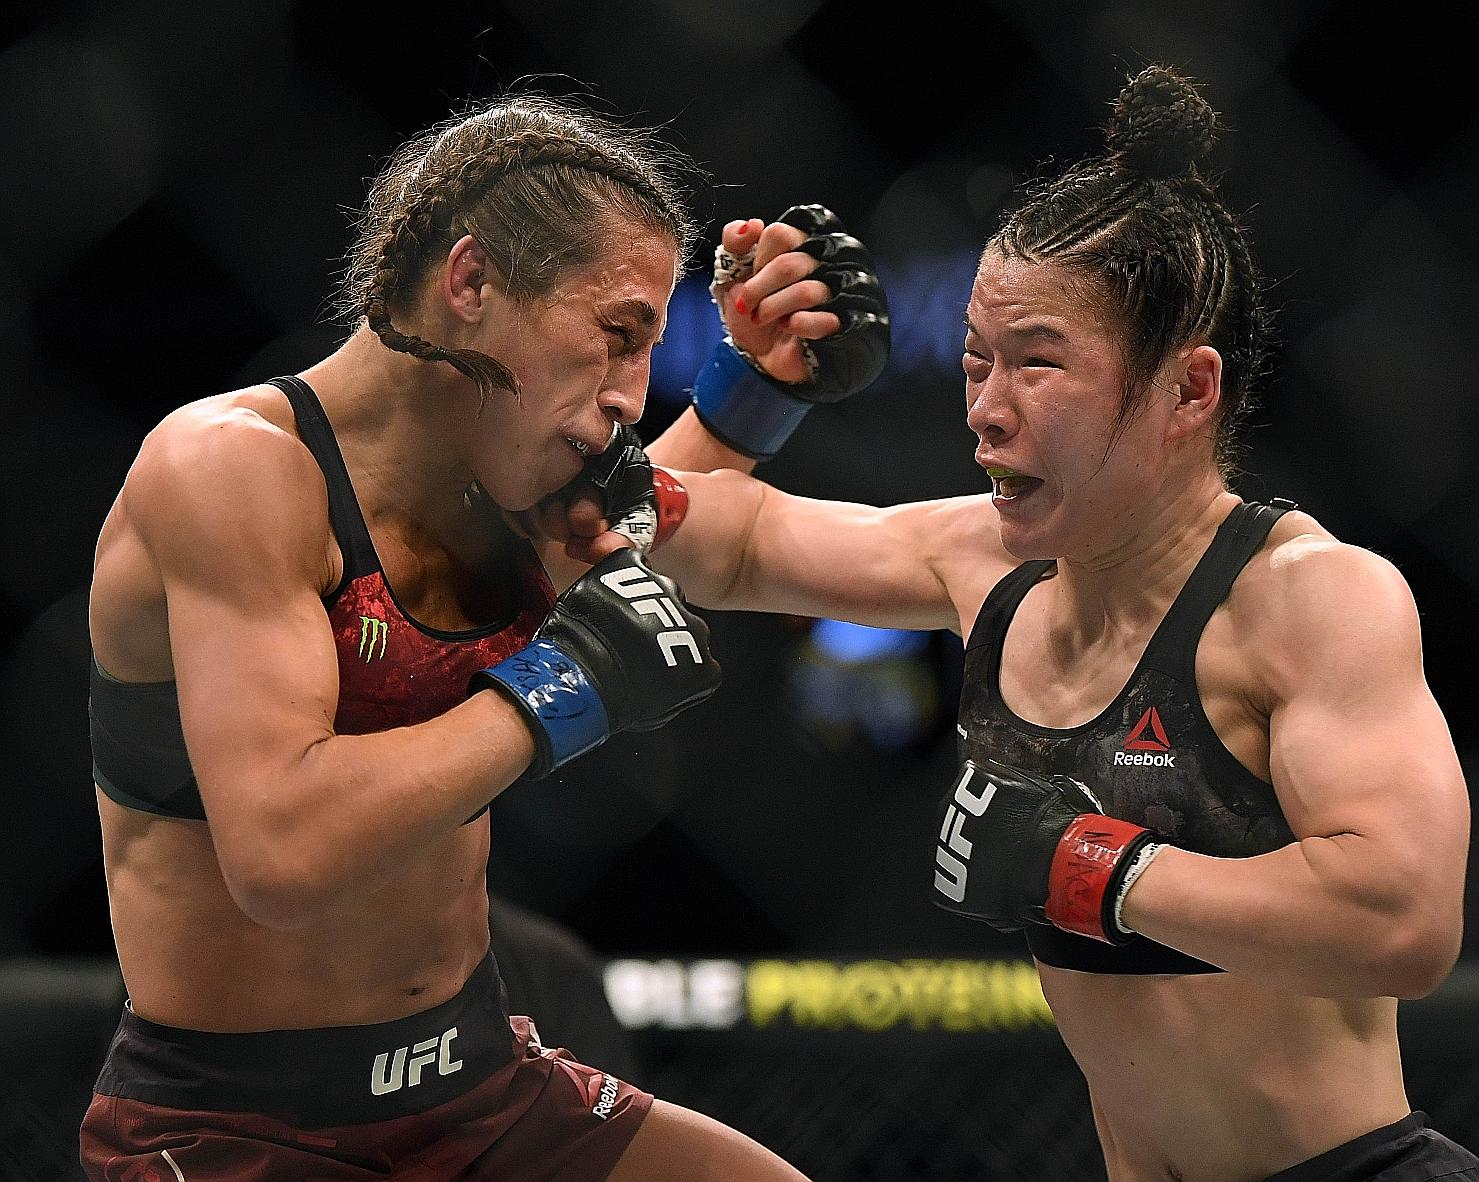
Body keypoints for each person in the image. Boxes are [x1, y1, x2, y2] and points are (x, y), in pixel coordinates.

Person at [581, 65, 1479, 1181]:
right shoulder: (985, 563)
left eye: (1037, 363)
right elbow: (706, 540)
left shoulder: (1308, 596)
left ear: (1188, 393)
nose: (986, 408)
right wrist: (749, 387)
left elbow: (1403, 924)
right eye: (976, 360)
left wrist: (1088, 866)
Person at [81, 89, 888, 1182]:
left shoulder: (508, 478)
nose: (626, 398)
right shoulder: (231, 470)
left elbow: (641, 517)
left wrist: (753, 390)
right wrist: (569, 682)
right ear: (470, 283)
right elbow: (281, 854)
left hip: (481, 1090)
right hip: (237, 1130)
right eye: (616, 336)